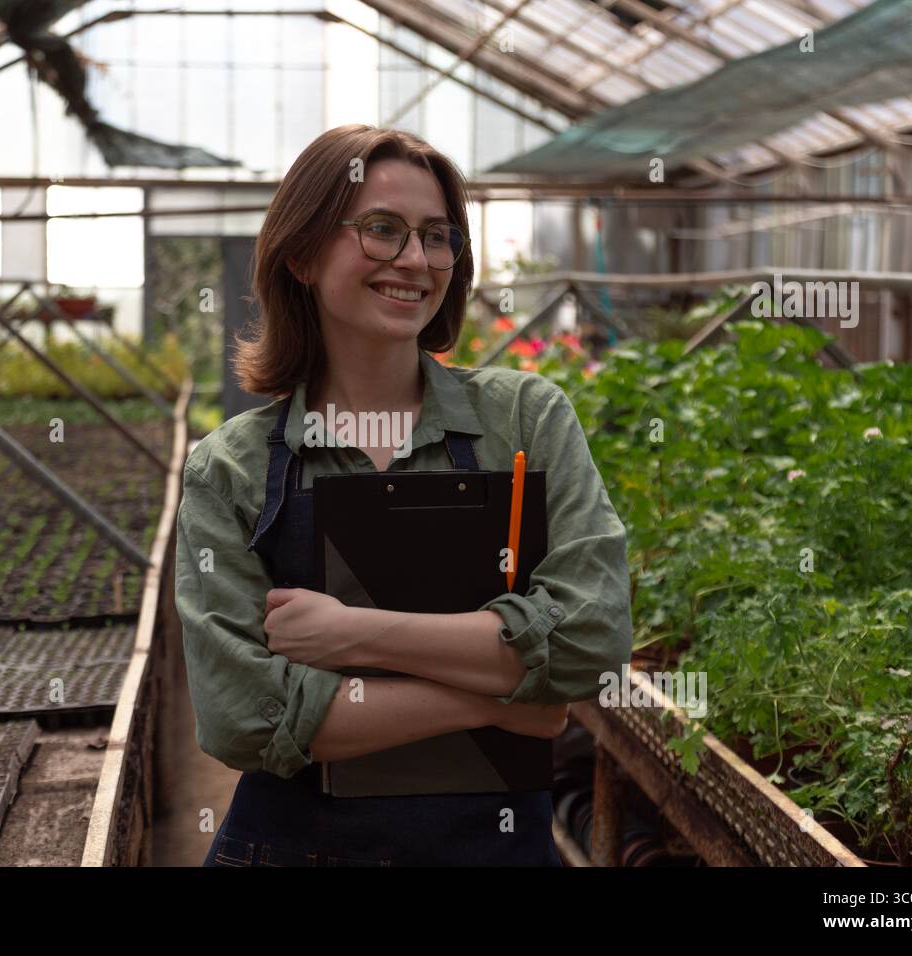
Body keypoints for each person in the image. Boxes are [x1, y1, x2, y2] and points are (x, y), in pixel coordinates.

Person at [174, 124, 633, 866]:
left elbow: (593, 640)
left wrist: (354, 635)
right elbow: (242, 721)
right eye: (382, 231)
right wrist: (507, 696)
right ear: (300, 254)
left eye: (436, 236)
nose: (415, 261)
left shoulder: (523, 422)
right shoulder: (230, 470)